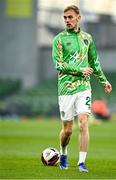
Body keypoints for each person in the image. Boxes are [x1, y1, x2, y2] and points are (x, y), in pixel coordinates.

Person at [52, 5, 112, 172]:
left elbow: (94, 62)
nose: (67, 20)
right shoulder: (59, 39)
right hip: (65, 88)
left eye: (70, 17)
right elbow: (58, 64)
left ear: (78, 18)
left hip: (84, 87)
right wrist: (80, 70)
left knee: (84, 123)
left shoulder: (87, 38)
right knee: (68, 130)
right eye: (65, 17)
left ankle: (81, 162)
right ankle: (63, 153)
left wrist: (103, 81)